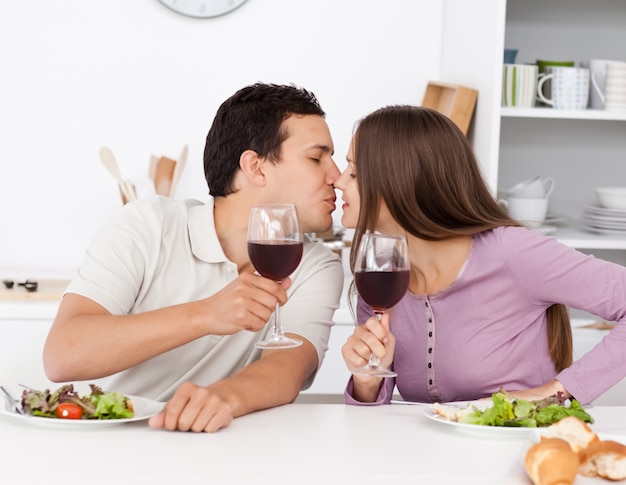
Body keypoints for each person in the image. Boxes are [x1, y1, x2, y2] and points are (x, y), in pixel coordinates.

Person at [43, 82, 343, 431]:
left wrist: (224, 398)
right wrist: (207, 314)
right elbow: (61, 356)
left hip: (209, 448)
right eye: (316, 157)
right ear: (256, 167)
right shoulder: (147, 225)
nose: (336, 176)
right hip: (104, 441)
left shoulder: (316, 265)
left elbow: (287, 368)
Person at [334, 105, 626, 406]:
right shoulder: (381, 276)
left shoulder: (511, 252)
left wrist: (558, 389)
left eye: (354, 172)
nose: (339, 181)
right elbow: (376, 417)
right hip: (428, 450)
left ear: (402, 182)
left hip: (523, 445)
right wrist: (365, 381)